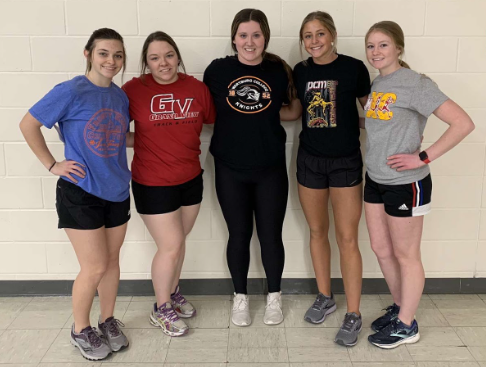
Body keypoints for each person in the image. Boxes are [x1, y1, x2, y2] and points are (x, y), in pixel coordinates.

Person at [19, 28, 131, 360]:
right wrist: (52, 164)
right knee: (94, 266)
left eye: (118, 55)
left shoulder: (120, 96)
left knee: (111, 263)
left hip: (117, 189)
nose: (111, 61)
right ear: (88, 54)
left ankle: (107, 320)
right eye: (104, 53)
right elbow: (28, 124)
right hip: (80, 191)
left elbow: (117, 136)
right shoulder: (70, 91)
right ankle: (80, 329)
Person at [363, 21, 474, 349]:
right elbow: (386, 128)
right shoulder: (378, 84)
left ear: (398, 47)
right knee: (381, 249)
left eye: (383, 45)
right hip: (375, 179)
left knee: (406, 254)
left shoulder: (416, 84)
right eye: (371, 46)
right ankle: (401, 309)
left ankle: (407, 326)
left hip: (406, 183)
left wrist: (423, 156)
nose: (376, 52)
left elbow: (463, 123)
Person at [280, 11, 370, 347]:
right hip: (310, 162)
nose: (314, 41)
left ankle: (354, 313)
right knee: (317, 231)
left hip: (345, 161)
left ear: (331, 35)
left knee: (347, 238)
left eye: (320, 34)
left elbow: (371, 111)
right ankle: (325, 296)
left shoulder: (353, 67)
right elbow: (295, 112)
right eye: (307, 36)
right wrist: (251, 114)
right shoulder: (301, 71)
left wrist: (398, 129)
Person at [203, 8, 296, 326]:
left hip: (270, 167)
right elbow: (207, 111)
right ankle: (240, 298)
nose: (250, 41)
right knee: (238, 234)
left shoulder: (279, 71)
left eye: (256, 34)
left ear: (265, 37)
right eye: (243, 35)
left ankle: (274, 298)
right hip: (229, 167)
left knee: (271, 235)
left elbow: (291, 108)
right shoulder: (216, 71)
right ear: (234, 38)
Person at [122, 31, 216, 336]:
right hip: (152, 182)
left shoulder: (196, 88)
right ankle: (161, 308)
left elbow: (210, 121)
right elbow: (115, 131)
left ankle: (173, 293)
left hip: (191, 178)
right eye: (154, 58)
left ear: (177, 56)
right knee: (171, 245)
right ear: (146, 62)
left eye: (168, 55)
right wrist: (147, 141)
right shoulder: (133, 91)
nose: (163, 63)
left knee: (178, 243)